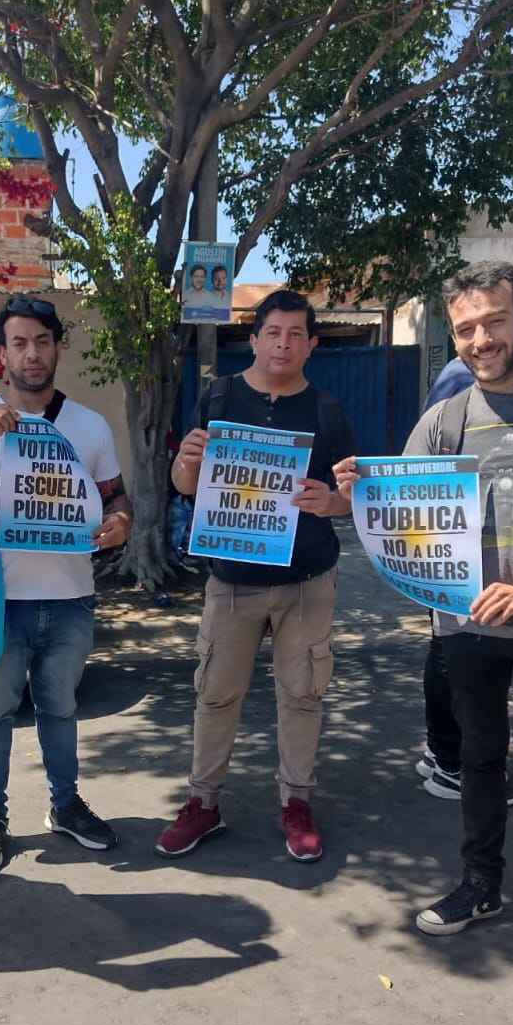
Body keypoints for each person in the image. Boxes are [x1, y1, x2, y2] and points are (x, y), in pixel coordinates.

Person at [337, 261, 513, 996]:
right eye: (465, 329)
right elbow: (402, 510)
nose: (480, 339)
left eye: (494, 321)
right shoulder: (444, 420)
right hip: (465, 629)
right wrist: (353, 495)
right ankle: (480, 885)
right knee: (480, 764)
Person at [155, 289, 355, 861]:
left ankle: (296, 803)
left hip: (307, 579)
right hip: (232, 578)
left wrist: (332, 503)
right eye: (273, 332)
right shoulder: (218, 398)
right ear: (254, 339)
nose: (283, 344)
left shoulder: (327, 410)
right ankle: (203, 803)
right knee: (215, 694)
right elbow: (185, 486)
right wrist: (185, 462)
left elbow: (351, 496)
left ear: (311, 345)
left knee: (303, 695)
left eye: (296, 334)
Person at [0, 296, 133, 875]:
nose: (32, 354)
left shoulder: (89, 425)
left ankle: (64, 804)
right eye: (19, 343)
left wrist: (121, 522)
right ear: (2, 353)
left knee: (60, 708)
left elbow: (115, 496)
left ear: (57, 348)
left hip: (71, 596)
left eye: (42, 342)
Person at [414, 357, 513, 807]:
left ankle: (443, 751)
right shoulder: (462, 380)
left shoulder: (478, 376)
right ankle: (450, 762)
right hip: (458, 548)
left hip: (475, 547)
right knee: (451, 650)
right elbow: (430, 467)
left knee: (448, 649)